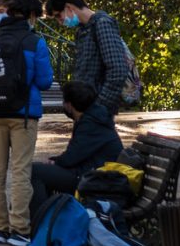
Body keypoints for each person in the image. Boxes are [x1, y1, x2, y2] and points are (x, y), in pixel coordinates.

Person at [0, 0, 55, 246]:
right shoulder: (34, 42)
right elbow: (44, 81)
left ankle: (0, 227)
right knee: (21, 171)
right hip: (23, 114)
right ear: (32, 15)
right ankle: (20, 228)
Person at [29, 81, 122, 215]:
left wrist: (56, 161)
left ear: (70, 105)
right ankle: (44, 218)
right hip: (94, 173)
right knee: (41, 170)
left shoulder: (90, 123)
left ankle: (39, 221)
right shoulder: (95, 117)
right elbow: (76, 154)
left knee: (35, 171)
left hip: (94, 178)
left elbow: (72, 157)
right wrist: (55, 161)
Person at [46, 0, 136, 114]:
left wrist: (100, 105)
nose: (60, 22)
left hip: (98, 109)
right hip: (86, 109)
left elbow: (118, 69)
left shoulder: (102, 23)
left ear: (69, 7)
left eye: (58, 16)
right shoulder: (82, 30)